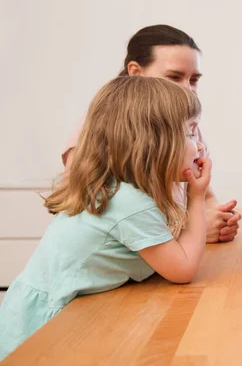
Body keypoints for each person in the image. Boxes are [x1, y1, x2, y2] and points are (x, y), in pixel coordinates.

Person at [0, 77, 211, 360]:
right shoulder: (130, 203)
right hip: (48, 325)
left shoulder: (119, 189)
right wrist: (197, 196)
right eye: (190, 133)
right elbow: (183, 269)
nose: (199, 146)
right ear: (154, 142)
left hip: (48, 310)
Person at [63, 24, 240, 243]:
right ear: (135, 72)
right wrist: (194, 229)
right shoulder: (97, 132)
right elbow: (96, 219)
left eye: (193, 79)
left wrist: (219, 220)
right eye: (174, 77)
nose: (188, 89)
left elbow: (205, 195)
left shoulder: (188, 127)